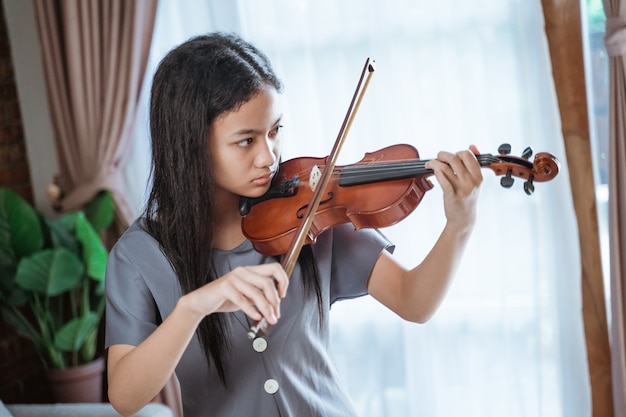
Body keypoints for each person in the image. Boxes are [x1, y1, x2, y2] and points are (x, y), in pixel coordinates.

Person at [105, 32, 483, 417]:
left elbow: (414, 300)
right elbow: (124, 395)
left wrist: (460, 225)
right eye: (246, 141)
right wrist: (193, 307)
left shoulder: (310, 209)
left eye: (275, 131)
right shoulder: (140, 255)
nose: (268, 157)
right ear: (189, 143)